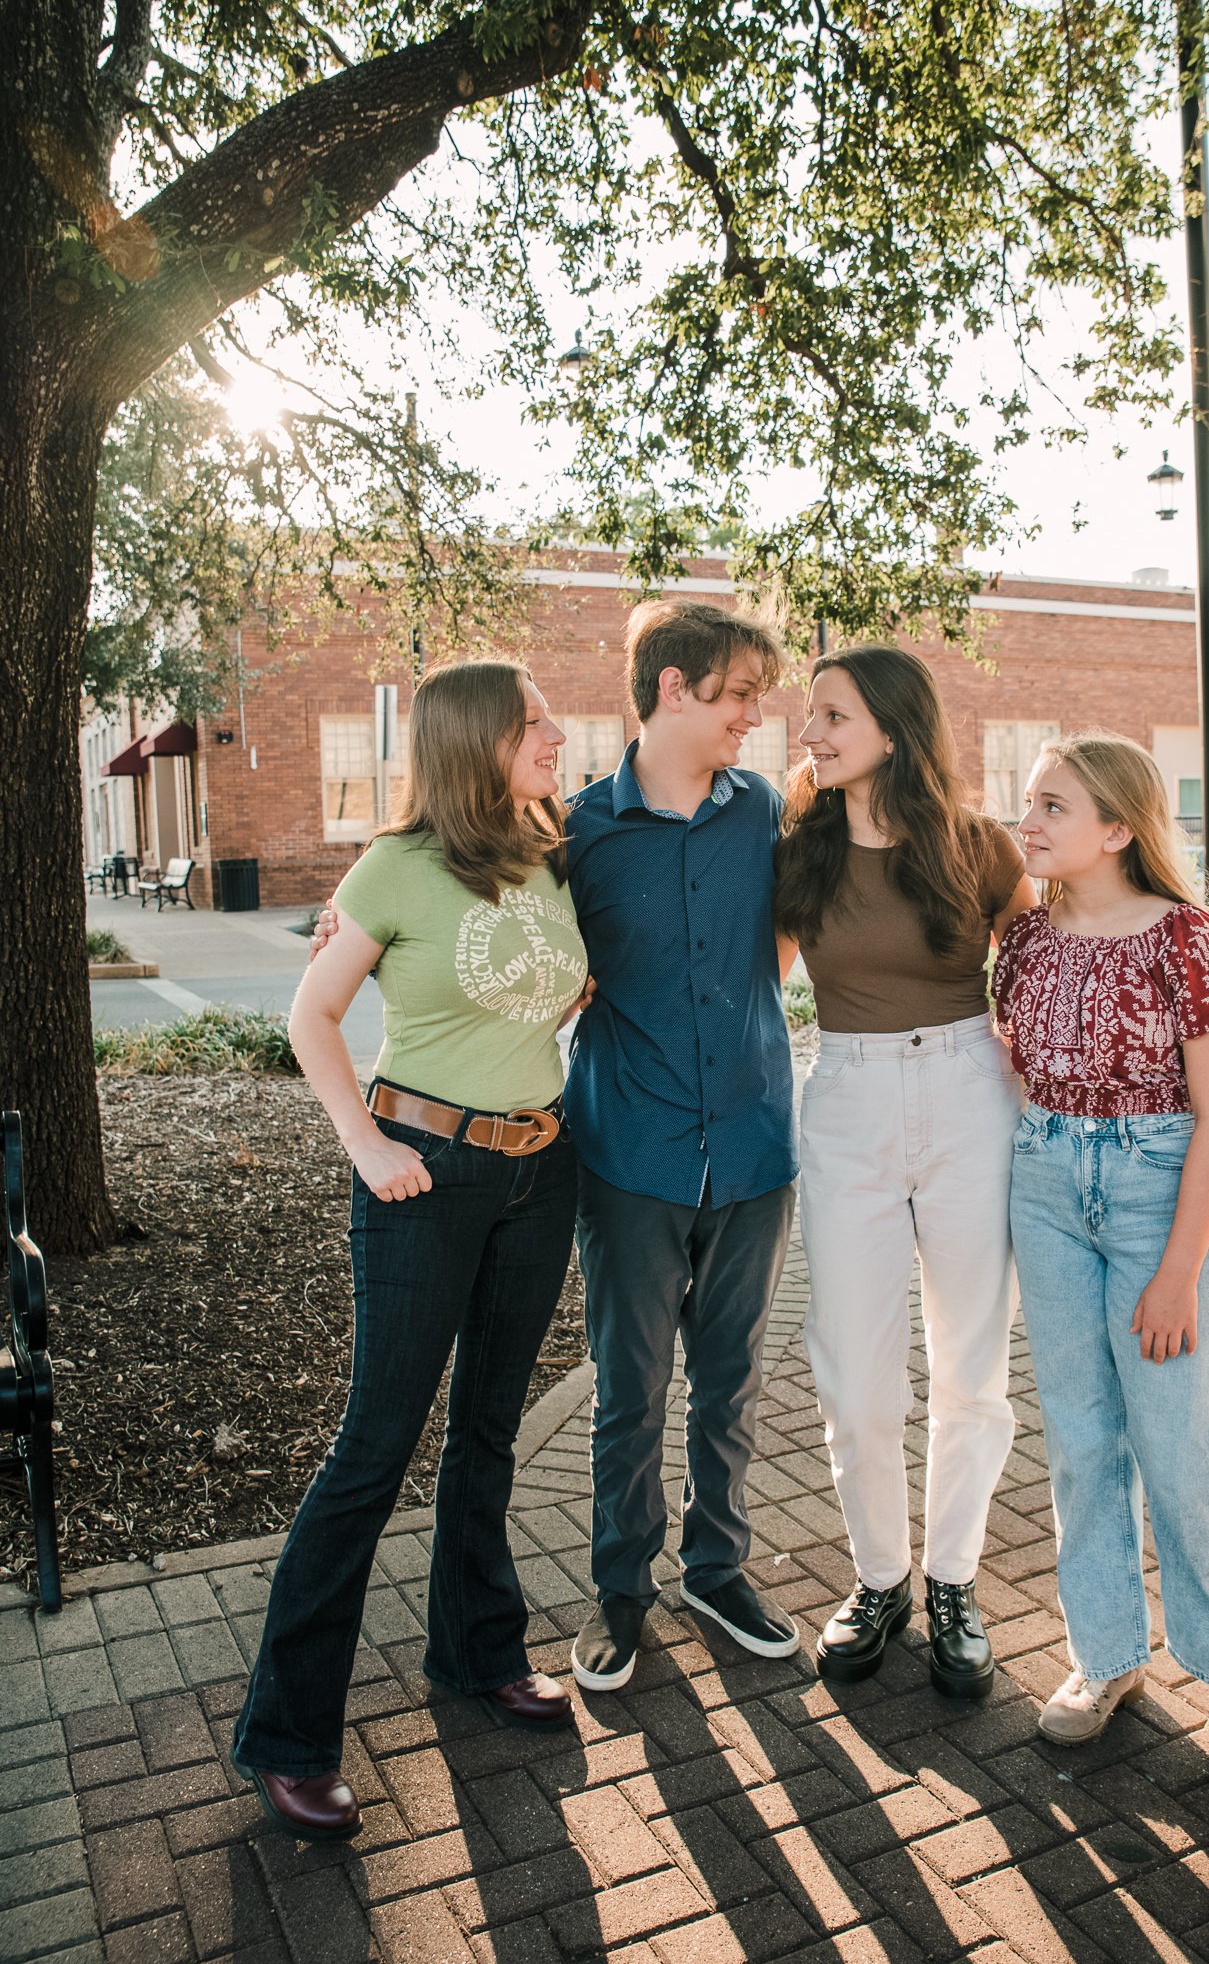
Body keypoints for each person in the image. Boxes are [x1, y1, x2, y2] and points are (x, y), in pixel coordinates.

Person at [233, 661, 590, 1841]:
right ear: (473, 740)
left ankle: (477, 1650)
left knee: (490, 1424)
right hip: (424, 1175)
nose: (551, 733)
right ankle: (288, 1736)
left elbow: (561, 985)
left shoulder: (547, 852)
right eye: (531, 721)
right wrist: (365, 1143)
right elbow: (310, 1015)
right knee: (376, 1445)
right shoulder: (393, 867)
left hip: (541, 1170)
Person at [993, 731, 1209, 1777]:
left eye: (1054, 805)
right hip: (1048, 1184)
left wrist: (1174, 1267)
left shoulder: (1185, 940)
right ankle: (1106, 1654)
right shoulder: (1025, 937)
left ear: (1118, 827)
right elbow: (1018, 1063)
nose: (1030, 819)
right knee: (1080, 1437)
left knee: (1179, 1449)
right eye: (1029, 800)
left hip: (1159, 1195)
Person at [772, 647, 1035, 1694]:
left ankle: (955, 1578)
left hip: (971, 1093)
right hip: (847, 1098)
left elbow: (1046, 952)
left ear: (892, 724)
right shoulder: (802, 850)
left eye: (831, 714)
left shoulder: (974, 844)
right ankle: (880, 1574)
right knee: (854, 1367)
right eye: (808, 716)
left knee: (972, 1364)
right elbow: (743, 979)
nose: (810, 733)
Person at [566, 597, 803, 1691]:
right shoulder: (575, 831)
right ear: (674, 687)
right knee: (630, 1386)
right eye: (741, 693)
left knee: (732, 1379)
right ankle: (623, 1589)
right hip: (631, 1153)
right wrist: (347, 917)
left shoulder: (763, 810)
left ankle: (717, 1568)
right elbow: (460, 874)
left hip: (754, 1148)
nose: (756, 715)